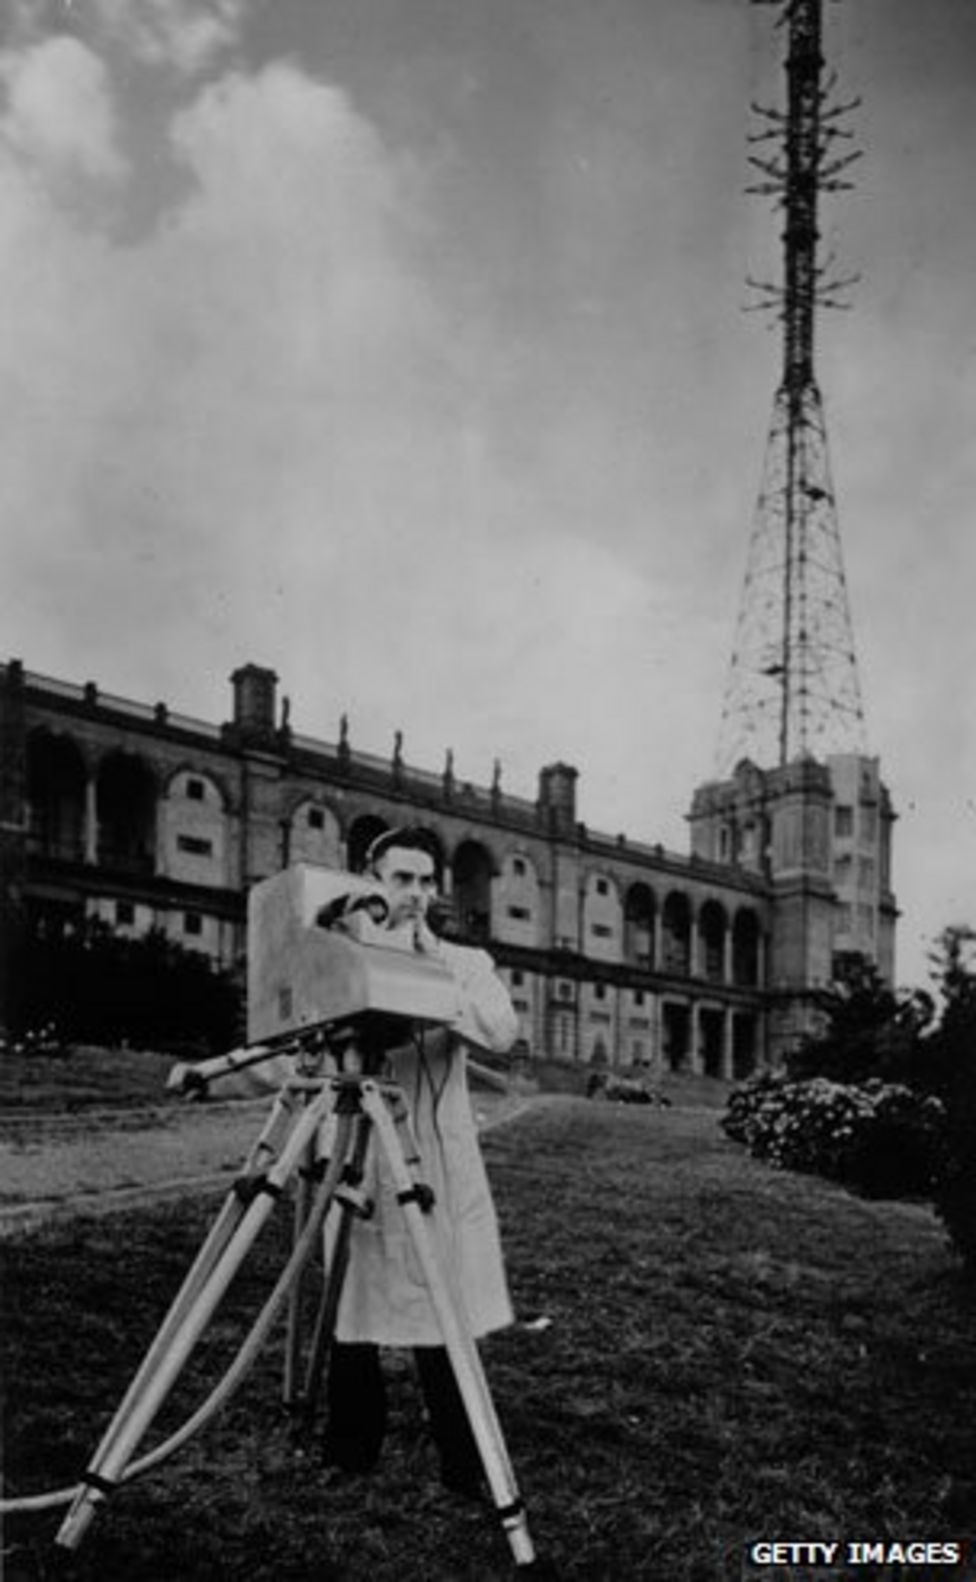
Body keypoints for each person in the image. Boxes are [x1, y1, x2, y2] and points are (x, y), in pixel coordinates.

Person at [180, 826, 518, 1499]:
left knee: (438, 1308)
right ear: (372, 881)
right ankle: (350, 1445)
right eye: (402, 880)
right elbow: (294, 1050)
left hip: (433, 1164)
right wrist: (211, 1074)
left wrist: (428, 975)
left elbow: (501, 1032)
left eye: (426, 881)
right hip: (360, 1157)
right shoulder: (342, 960)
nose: (417, 895)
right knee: (350, 1300)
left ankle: (464, 1459)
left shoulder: (465, 963)